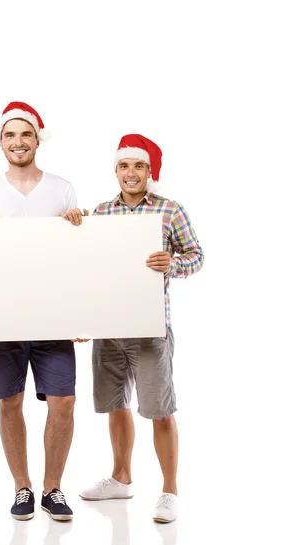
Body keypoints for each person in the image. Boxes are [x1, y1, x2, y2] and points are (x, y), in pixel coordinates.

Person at [79, 134, 204, 523]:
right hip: (110, 328)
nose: (130, 173)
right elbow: (84, 265)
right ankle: (121, 477)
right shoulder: (100, 212)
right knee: (115, 406)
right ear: (115, 171)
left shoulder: (170, 211)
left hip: (151, 328)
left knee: (159, 410)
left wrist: (174, 264)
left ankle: (169, 490)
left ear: (150, 172)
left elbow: (196, 256)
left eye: (138, 166)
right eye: (124, 166)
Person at [0, 101, 87, 521]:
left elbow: (79, 256)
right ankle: (22, 487)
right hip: (3, 316)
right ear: (1, 142)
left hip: (53, 315)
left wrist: (80, 312)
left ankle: (52, 488)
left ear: (38, 139)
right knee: (8, 402)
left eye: (25, 134)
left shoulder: (62, 188)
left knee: (63, 403)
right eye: (10, 135)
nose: (18, 142)